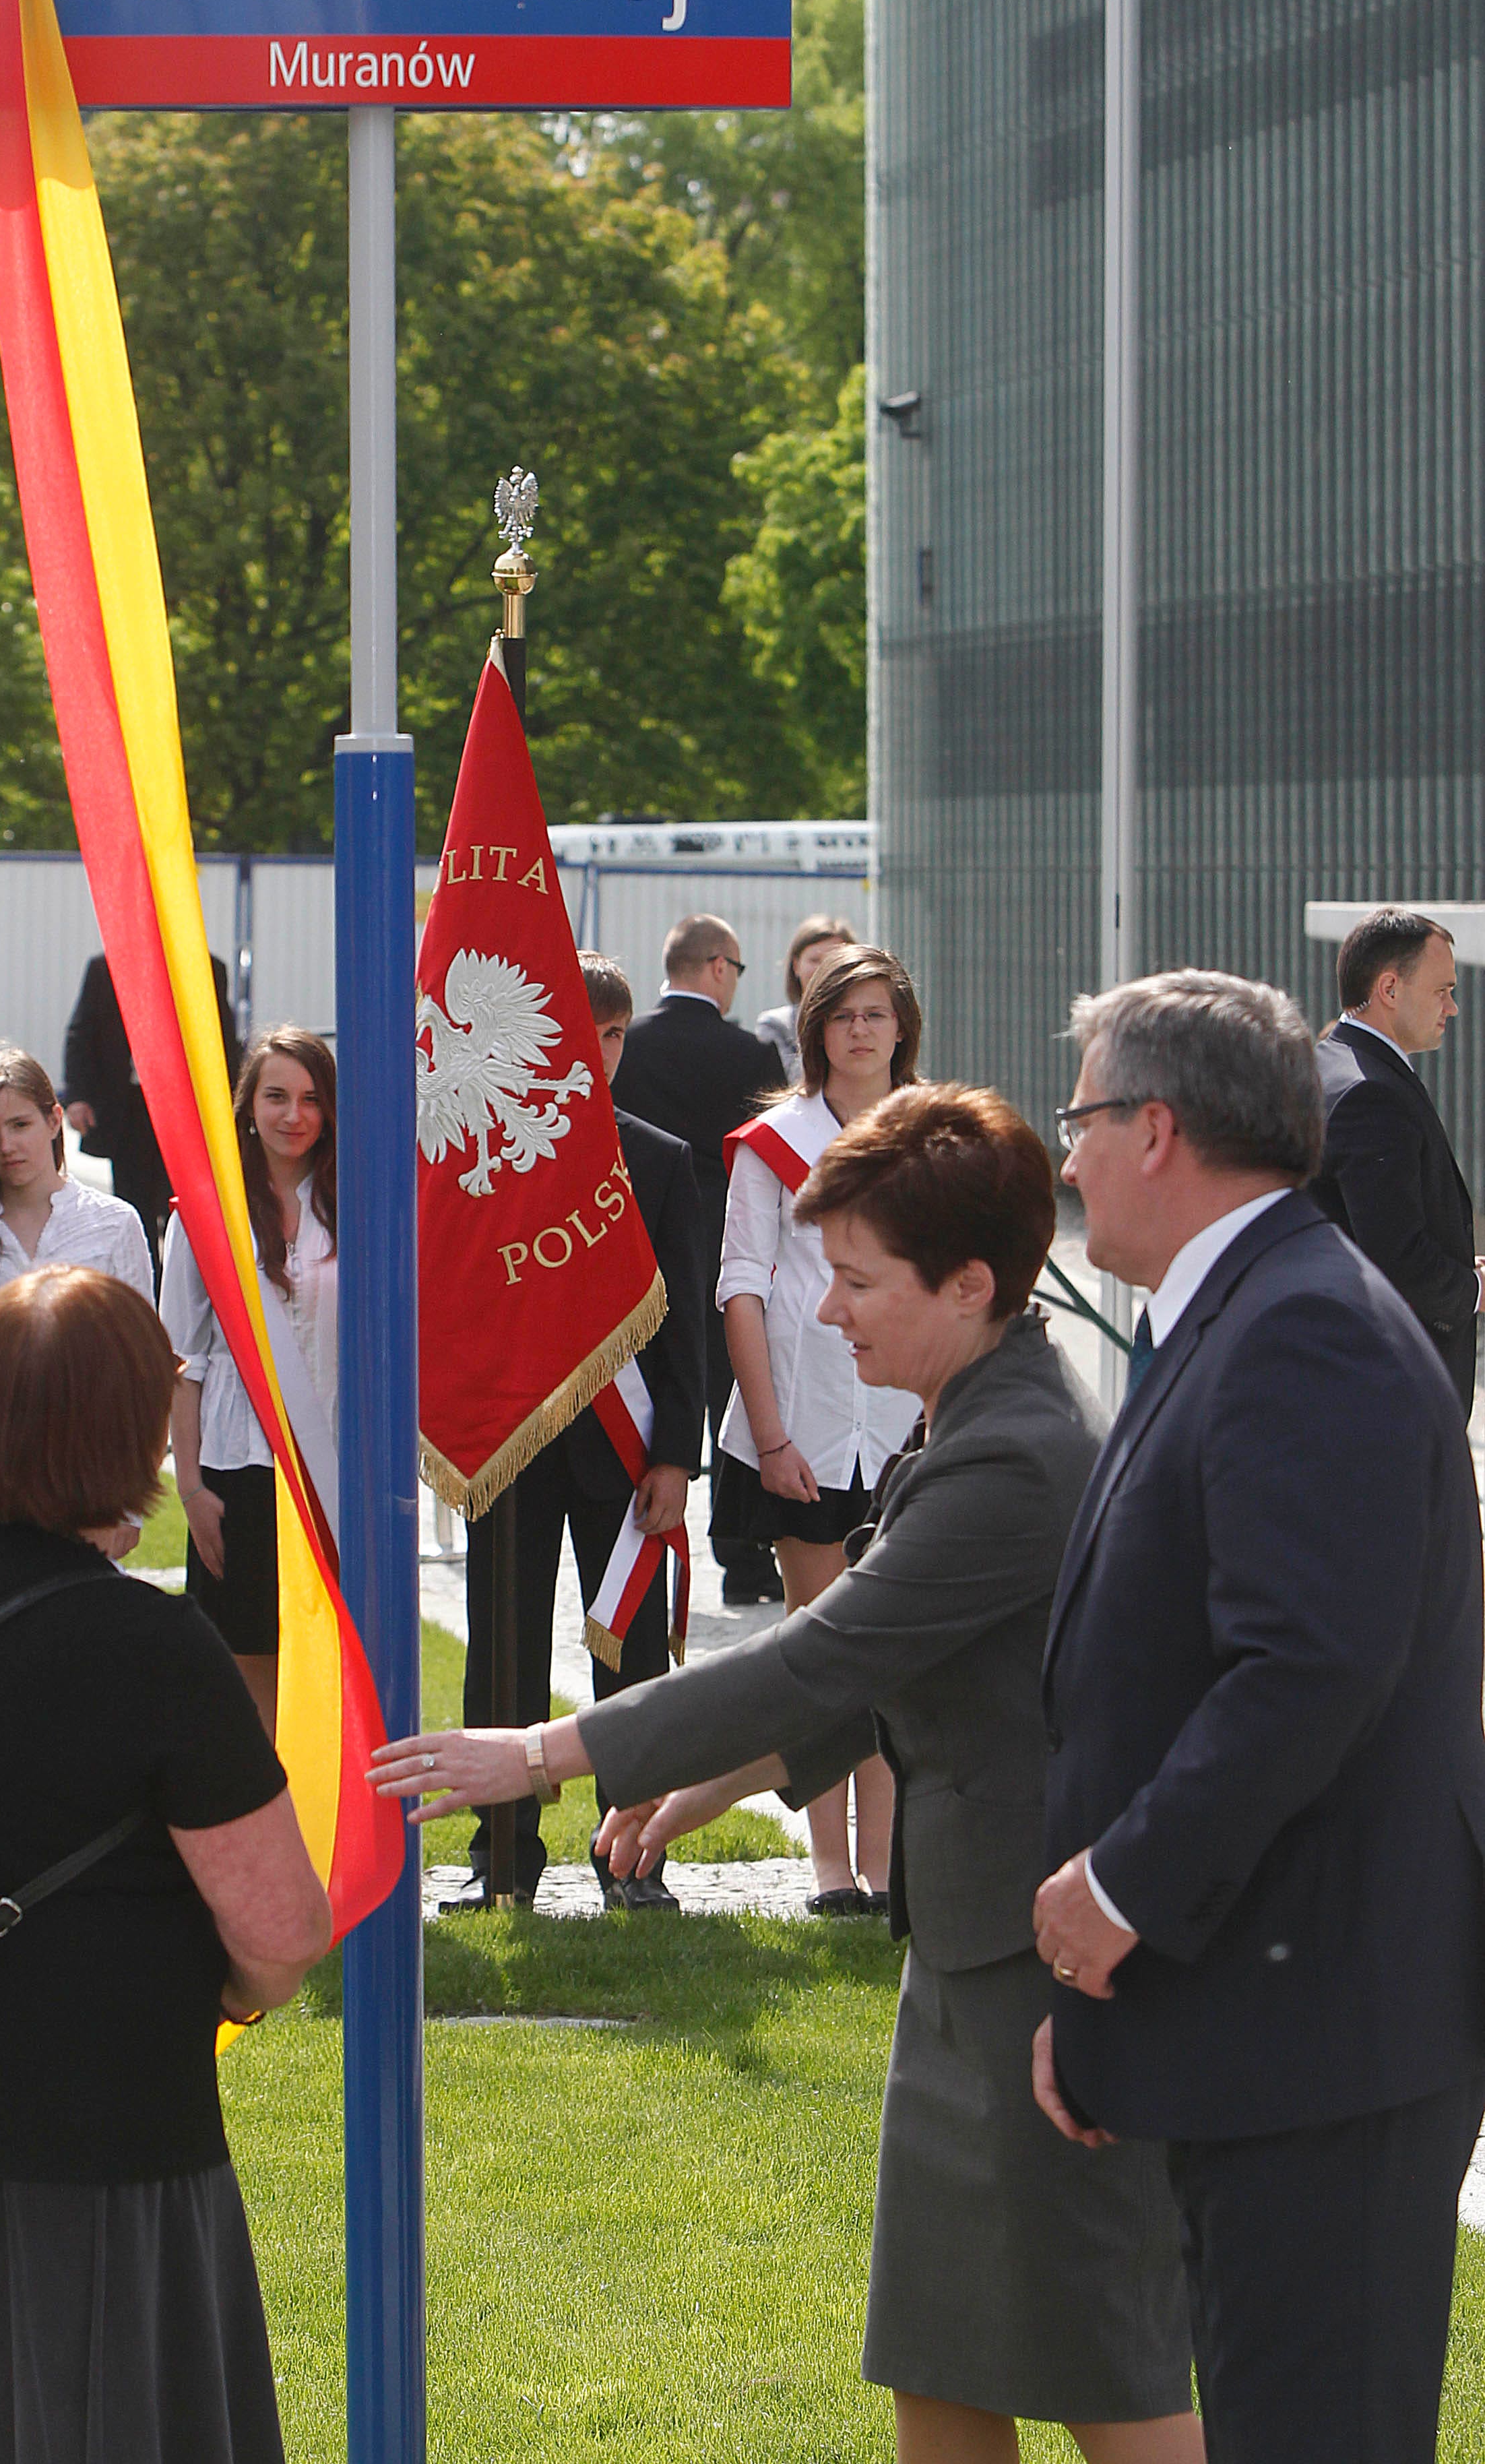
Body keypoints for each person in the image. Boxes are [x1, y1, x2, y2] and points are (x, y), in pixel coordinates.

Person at [373, 1085, 1200, 2463]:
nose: (825, 1312)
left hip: (1043, 1979)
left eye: (857, 1278)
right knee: (939, 2354)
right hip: (973, 1956)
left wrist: (537, 1750)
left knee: (1104, 2367)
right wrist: (691, 1793)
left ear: (972, 1284)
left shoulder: (1013, 1454)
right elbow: (898, 1674)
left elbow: (824, 1654)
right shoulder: (981, 1416)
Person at [1036, 970, 1485, 2464]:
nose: (1069, 1151)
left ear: (1156, 1128)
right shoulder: (1243, 1305)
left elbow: (1308, 1667)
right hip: (1259, 2021)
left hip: (1327, 2041)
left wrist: (1117, 1888)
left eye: (1083, 1116)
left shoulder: (1305, 1324)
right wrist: (1105, 2006)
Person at [0, 1263, 331, 2464]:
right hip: (100, 2159)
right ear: (119, 1432)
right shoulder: (149, 1645)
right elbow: (281, 1934)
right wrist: (236, 1991)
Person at [450, 955, 707, 1914]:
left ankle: (631, 1851)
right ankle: (503, 1854)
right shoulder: (490, 1155)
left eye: (613, 1035)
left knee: (629, 1653)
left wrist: (678, 1453)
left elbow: (685, 1322)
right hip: (512, 1444)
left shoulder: (659, 1157)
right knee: (501, 1649)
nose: (597, 1052)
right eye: (579, 1032)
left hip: (623, 1448)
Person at [717, 946, 924, 1912]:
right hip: (801, 1424)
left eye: (876, 1013)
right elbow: (743, 1289)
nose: (859, 1029)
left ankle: (883, 1868)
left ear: (901, 1028)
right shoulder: (772, 1144)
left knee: (892, 1655)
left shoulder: (935, 1139)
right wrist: (768, 1435)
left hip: (906, 1427)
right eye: (842, 1014)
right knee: (821, 1652)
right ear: (815, 1029)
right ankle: (829, 1870)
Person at [160, 1027, 337, 1742]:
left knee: (326, 1664)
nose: (292, 1115)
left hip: (329, 1471)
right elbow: (181, 1358)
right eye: (275, 1096)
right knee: (248, 1675)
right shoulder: (204, 1214)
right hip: (238, 1469)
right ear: (248, 1103)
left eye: (310, 1099)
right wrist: (193, 1487)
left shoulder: (359, 1206)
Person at [613, 913, 785, 1604]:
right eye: (737, 970)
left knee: (650, 1388)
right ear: (718, 967)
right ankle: (743, 1561)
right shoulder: (748, 1054)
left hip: (634, 1243)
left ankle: (634, 1530)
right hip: (726, 1238)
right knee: (735, 1391)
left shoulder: (629, 1045)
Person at [0, 1046, 152, 1496]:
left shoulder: (114, 1225)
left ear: (54, 1120)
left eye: (20, 1125)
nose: (6, 1146)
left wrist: (130, 1501)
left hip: (81, 1476)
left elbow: (140, 1371)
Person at [1310, 907, 1482, 1414]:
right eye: (1441, 990)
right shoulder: (1372, 1093)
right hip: (1389, 1397)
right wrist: (1473, 1289)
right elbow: (1396, 1261)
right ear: (1389, 989)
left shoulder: (1328, 1063)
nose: (1451, 1008)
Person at [63, 949, 241, 1270]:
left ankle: (182, 1294)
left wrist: (233, 1111)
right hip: (128, 1110)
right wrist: (77, 1098)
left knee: (187, 1214)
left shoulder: (207, 968)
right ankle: (144, 1296)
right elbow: (81, 1035)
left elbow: (225, 1045)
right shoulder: (106, 968)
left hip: (186, 1114)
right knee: (134, 1210)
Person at [757, 914, 858, 1084]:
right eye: (815, 960)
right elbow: (788, 1082)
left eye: (834, 961)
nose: (824, 970)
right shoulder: (775, 1025)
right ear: (796, 966)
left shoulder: (866, 1023)